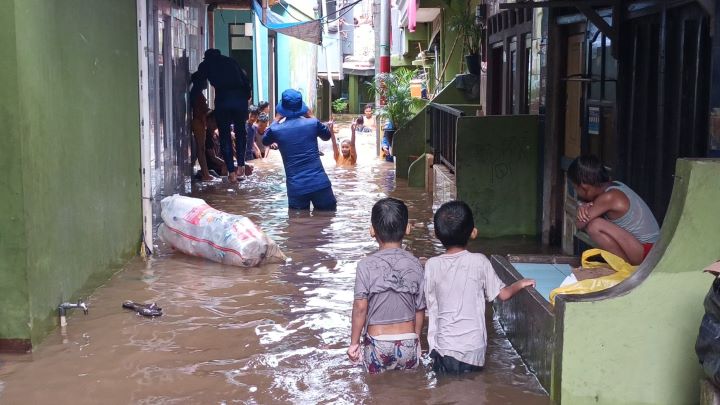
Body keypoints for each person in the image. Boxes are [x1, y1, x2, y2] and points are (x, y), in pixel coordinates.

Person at [425, 200, 535, 375]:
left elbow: (430, 305)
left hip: (443, 349)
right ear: (473, 232)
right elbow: (504, 295)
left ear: (437, 234)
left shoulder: (431, 265)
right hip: (473, 351)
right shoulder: (480, 261)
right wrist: (520, 283)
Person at [347, 197, 425, 373]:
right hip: (408, 341)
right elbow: (420, 308)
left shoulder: (365, 265)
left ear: (372, 231)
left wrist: (354, 343)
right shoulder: (415, 263)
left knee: (376, 393)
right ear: (408, 228)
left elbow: (360, 307)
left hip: (377, 342)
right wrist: (416, 339)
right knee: (408, 390)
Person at [568, 154, 660, 265]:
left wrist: (581, 207)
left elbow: (579, 223)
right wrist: (582, 204)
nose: (577, 193)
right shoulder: (614, 186)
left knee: (595, 225)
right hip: (648, 250)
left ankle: (626, 267)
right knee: (594, 222)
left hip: (647, 253)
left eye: (575, 188)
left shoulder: (610, 197)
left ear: (584, 186)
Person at [262, 89, 337, 210]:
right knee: (328, 219)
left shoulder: (276, 129)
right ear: (302, 107)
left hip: (296, 188)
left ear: (281, 110)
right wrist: (312, 116)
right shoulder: (312, 123)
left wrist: (276, 120)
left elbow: (265, 140)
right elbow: (327, 135)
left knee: (298, 225)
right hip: (320, 183)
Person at [193, 49, 253, 183]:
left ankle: (231, 173)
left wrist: (192, 99)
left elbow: (198, 84)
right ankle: (241, 167)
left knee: (225, 135)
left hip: (223, 100)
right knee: (240, 132)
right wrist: (244, 99)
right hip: (240, 100)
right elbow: (246, 82)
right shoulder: (231, 61)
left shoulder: (207, 64)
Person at [189, 73, 213, 181]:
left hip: (199, 122)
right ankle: (205, 174)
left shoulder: (196, 93)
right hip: (198, 122)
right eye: (204, 80)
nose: (206, 83)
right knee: (201, 148)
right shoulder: (196, 94)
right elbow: (200, 111)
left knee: (201, 148)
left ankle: (205, 173)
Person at [204, 111, 228, 177]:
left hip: (219, 166)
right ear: (207, 121)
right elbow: (213, 157)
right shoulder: (206, 136)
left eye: (217, 121)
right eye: (213, 121)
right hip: (212, 170)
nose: (215, 123)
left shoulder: (216, 135)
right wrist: (225, 164)